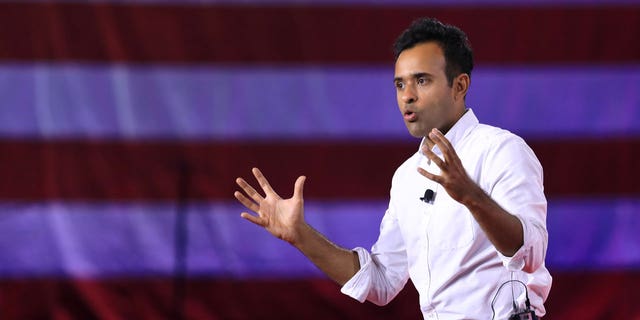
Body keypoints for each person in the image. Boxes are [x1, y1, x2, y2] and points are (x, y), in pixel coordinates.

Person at [234, 17, 551, 319]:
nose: (407, 97)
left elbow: (531, 252)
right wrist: (301, 236)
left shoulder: (502, 150)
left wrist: (471, 196)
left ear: (460, 85)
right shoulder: (406, 177)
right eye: (400, 85)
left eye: (422, 81)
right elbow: (382, 282)